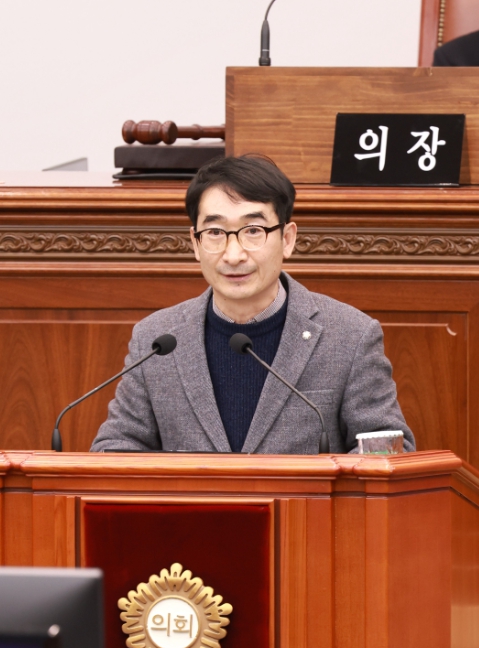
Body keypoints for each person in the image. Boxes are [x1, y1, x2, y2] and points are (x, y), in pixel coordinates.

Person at [91, 155, 415, 454]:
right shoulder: (157, 340)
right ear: (195, 243)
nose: (234, 255)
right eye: (215, 232)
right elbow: (116, 447)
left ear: (287, 239)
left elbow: (388, 448)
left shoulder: (349, 336)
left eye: (253, 231)